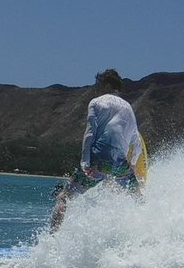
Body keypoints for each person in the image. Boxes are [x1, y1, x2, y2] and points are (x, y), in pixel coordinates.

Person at [50, 69, 147, 231]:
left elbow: (90, 133)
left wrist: (85, 161)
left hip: (97, 160)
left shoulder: (96, 102)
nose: (96, 88)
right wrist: (133, 166)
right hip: (119, 164)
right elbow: (136, 142)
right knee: (138, 199)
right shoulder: (129, 107)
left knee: (64, 198)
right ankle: (150, 230)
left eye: (98, 84)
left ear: (107, 84)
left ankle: (51, 242)